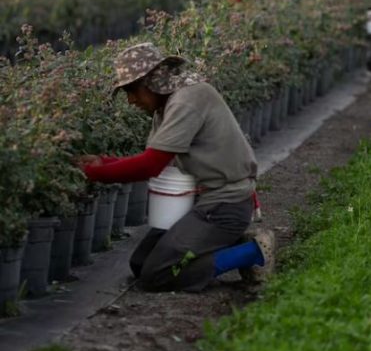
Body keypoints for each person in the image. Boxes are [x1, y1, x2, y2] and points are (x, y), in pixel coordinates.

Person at [78, 43, 275, 292]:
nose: (130, 100)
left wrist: (93, 173)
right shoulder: (168, 104)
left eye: (131, 90)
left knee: (157, 274)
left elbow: (150, 165)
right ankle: (226, 242)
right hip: (206, 202)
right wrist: (103, 161)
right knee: (140, 264)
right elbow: (154, 156)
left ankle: (252, 252)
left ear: (151, 82)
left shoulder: (186, 101)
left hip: (225, 205)